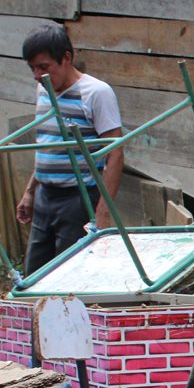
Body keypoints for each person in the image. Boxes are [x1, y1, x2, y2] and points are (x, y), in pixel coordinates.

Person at [16, 24, 124, 275]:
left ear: (66, 58)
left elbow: (115, 153)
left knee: (69, 275)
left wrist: (103, 213)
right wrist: (30, 192)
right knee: (35, 275)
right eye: (32, 68)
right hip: (45, 196)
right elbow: (48, 146)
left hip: (78, 198)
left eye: (43, 67)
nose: (37, 75)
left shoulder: (96, 93)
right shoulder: (43, 89)